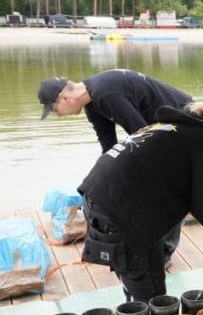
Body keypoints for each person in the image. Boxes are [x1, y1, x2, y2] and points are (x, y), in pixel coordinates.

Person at [77, 100, 203, 303]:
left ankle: (136, 313)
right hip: (119, 214)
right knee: (151, 299)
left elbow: (195, 201)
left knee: (144, 282)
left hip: (97, 199)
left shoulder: (173, 127)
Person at [38, 69, 193, 267]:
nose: (57, 115)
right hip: (158, 129)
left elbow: (144, 137)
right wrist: (98, 182)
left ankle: (163, 254)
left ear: (63, 97)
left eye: (53, 109)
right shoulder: (93, 105)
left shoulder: (105, 93)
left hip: (184, 119)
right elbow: (109, 149)